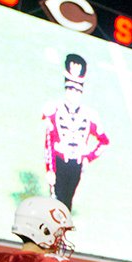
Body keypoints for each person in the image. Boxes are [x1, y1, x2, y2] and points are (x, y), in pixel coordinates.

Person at [42, 53, 109, 209]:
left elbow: (104, 141)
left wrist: (88, 158)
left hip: (76, 164)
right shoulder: (54, 110)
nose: (73, 94)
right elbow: (49, 142)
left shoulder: (89, 115)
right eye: (70, 89)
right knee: (55, 201)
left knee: (67, 201)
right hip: (60, 162)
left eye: (77, 91)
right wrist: (50, 169)